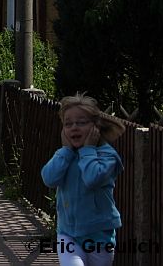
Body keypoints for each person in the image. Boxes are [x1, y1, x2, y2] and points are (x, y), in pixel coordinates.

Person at [41, 94, 126, 266]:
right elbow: (48, 178)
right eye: (68, 124)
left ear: (96, 127)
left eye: (81, 122)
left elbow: (92, 178)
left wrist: (88, 150)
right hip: (67, 233)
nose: (74, 128)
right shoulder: (65, 155)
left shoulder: (108, 156)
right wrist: (65, 151)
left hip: (99, 234)